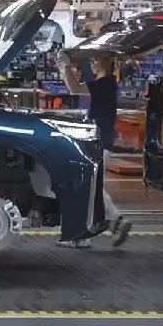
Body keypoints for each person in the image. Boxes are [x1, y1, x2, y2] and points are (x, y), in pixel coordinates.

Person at [58, 52, 133, 248]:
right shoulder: (107, 84)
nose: (92, 63)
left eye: (95, 60)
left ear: (106, 62)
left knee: (89, 189)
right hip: (99, 143)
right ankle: (111, 224)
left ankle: (92, 232)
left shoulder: (105, 84)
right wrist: (64, 68)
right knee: (93, 187)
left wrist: (66, 66)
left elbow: (74, 89)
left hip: (99, 144)